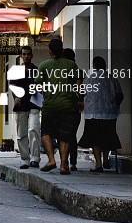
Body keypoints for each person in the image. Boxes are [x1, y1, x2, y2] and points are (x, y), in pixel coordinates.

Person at [37, 38, 82, 175]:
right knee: (65, 136)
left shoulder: (44, 65)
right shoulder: (71, 65)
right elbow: (78, 85)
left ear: (50, 51)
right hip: (68, 106)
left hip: (49, 106)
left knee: (45, 132)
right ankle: (63, 165)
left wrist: (47, 94)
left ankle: (51, 160)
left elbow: (38, 86)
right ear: (62, 50)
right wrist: (80, 100)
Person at [78, 55, 123, 172]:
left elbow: (81, 94)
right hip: (109, 113)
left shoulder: (88, 79)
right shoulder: (112, 79)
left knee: (95, 139)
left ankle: (98, 164)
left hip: (93, 113)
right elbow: (119, 95)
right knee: (107, 136)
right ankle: (106, 159)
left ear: (94, 66)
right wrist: (115, 104)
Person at [9, 45, 41, 169]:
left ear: (31, 55)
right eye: (24, 54)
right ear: (21, 56)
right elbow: (13, 86)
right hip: (21, 105)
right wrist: (15, 98)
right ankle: (24, 159)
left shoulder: (36, 70)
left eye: (28, 54)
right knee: (21, 133)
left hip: (34, 104)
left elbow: (41, 85)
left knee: (33, 129)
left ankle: (35, 158)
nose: (26, 56)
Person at [62, 47, 80, 171]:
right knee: (72, 135)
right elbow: (80, 88)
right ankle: (73, 162)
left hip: (62, 106)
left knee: (63, 136)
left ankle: (65, 162)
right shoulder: (77, 70)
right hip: (74, 107)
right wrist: (81, 100)